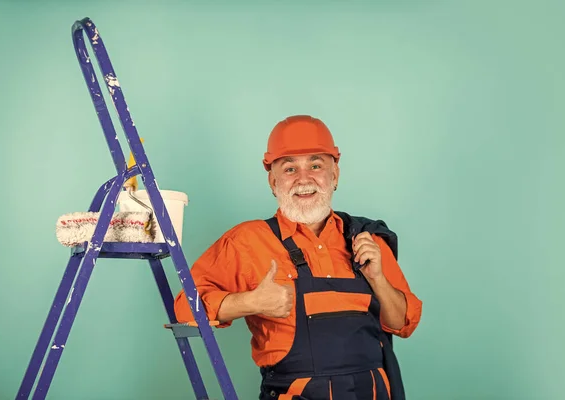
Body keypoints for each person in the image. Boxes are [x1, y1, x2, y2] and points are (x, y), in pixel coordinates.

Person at [174, 115, 422, 400]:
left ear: (335, 175)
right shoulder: (246, 241)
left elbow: (404, 323)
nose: (304, 179)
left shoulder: (367, 240)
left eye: (316, 165)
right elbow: (184, 308)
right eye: (290, 168)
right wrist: (250, 302)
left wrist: (378, 280)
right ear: (273, 180)